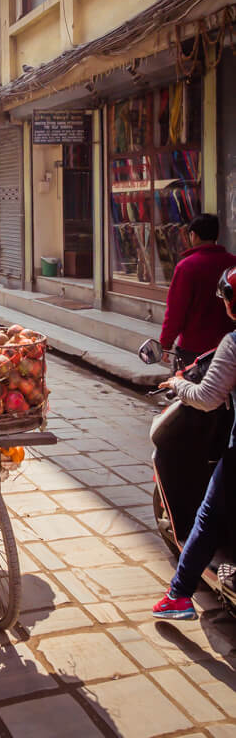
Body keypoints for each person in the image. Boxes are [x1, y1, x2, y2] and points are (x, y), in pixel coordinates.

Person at [152, 265, 236, 621]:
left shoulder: (232, 344)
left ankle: (178, 596)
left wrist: (176, 385)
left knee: (208, 514)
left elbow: (207, 397)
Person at [160, 213, 236, 366]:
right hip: (230, 346)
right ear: (217, 235)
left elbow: (176, 311)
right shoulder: (232, 262)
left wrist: (165, 343)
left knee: (187, 388)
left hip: (194, 349)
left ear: (193, 235)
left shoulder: (187, 267)